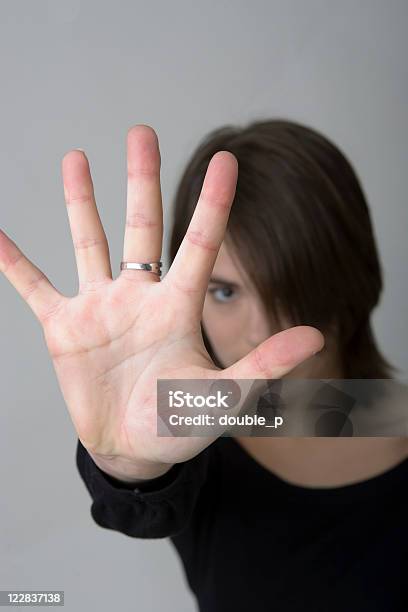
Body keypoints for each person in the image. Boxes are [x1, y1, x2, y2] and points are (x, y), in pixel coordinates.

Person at [1, 120, 407, 611]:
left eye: (292, 285)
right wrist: (126, 464)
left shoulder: (389, 415)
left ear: (350, 276)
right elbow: (141, 498)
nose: (259, 331)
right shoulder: (196, 438)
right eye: (225, 291)